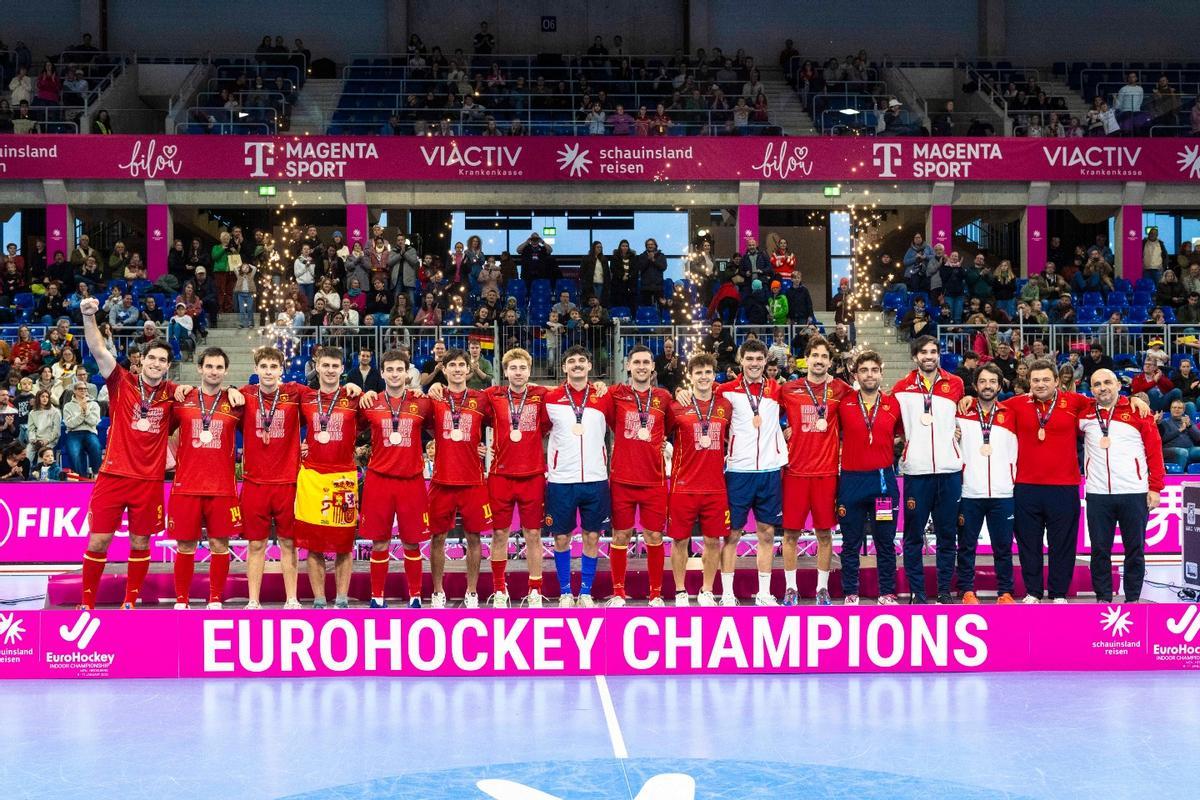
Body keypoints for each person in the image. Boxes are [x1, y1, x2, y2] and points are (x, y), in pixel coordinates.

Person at [75, 296, 179, 609]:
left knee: (140, 541)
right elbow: (98, 349)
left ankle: (130, 601)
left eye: (162, 360)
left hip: (148, 482)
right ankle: (87, 602)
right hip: (113, 476)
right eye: (152, 358)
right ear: (141, 360)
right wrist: (88, 316)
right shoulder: (122, 381)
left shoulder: (173, 395)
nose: (157, 364)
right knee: (99, 540)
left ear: (168, 366)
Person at [678, 338, 785, 606]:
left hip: (770, 470)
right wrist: (682, 391)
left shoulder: (776, 389)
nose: (754, 364)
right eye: (749, 359)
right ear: (741, 361)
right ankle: (726, 593)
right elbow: (699, 387)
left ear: (766, 361)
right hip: (738, 471)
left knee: (767, 533)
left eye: (759, 359)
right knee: (732, 534)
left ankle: (763, 592)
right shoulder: (725, 390)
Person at [777, 337, 854, 605]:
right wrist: (780, 432)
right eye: (815, 356)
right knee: (790, 534)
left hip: (826, 474)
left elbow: (867, 400)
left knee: (824, 533)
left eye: (824, 356)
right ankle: (791, 588)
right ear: (806, 359)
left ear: (830, 362)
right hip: (795, 472)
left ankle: (822, 588)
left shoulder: (841, 389)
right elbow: (761, 409)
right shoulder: (788, 389)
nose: (819, 360)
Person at [168, 348, 244, 609]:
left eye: (219, 367)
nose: (214, 371)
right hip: (186, 486)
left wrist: (236, 389)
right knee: (185, 545)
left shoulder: (236, 402)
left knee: (219, 544)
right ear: (199, 368)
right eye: (209, 366)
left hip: (222, 486)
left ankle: (214, 599)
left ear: (226, 371)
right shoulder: (183, 398)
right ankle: (182, 600)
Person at [238, 347, 313, 609]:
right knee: (256, 544)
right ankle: (253, 600)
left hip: (288, 482)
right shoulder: (243, 395)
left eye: (273, 366)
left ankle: (292, 598)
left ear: (281, 369)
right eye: (264, 366)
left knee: (288, 544)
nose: (269, 371)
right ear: (256, 369)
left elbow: (327, 395)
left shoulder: (296, 393)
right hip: (254, 482)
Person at [892, 335, 965, 604]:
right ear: (915, 357)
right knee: (913, 536)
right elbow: (894, 424)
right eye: (923, 352)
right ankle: (918, 592)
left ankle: (944, 590)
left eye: (933, 352)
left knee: (947, 535)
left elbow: (962, 417)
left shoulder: (955, 384)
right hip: (917, 472)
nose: (929, 356)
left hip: (949, 470)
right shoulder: (901, 387)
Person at [1080, 369, 1164, 603]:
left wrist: (1155, 487)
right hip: (1098, 494)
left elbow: (1154, 450)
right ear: (1091, 388)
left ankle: (1133, 598)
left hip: (1134, 492)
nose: (1102, 388)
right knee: (1099, 550)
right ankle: (1103, 598)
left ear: (1118, 385)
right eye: (1097, 384)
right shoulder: (1084, 413)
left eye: (1108, 382)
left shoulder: (1138, 411)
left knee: (1135, 549)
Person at [359, 350, 433, 608]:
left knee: (412, 541)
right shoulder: (370, 403)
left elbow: (444, 426)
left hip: (411, 480)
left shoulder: (422, 403)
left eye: (399, 369)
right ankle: (376, 597)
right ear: (382, 373)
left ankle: (415, 596)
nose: (394, 374)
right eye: (389, 370)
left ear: (407, 372)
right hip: (379, 480)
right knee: (380, 541)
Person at [423, 348, 494, 607]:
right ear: (444, 369)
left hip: (473, 479)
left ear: (468, 368)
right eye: (452, 364)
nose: (457, 369)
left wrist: (480, 446)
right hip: (441, 480)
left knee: (474, 537)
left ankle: (472, 592)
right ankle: (438, 591)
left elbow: (502, 421)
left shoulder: (480, 398)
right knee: (438, 537)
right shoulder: (435, 398)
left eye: (462, 364)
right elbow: (425, 425)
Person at [543, 346, 613, 607]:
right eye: (571, 361)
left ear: (589, 366)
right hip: (561, 480)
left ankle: (584, 592)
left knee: (592, 536)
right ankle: (564, 592)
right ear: (564, 368)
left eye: (582, 361)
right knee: (561, 538)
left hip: (595, 478)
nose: (577, 365)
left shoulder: (604, 396)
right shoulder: (550, 398)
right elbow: (533, 430)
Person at [480, 348, 549, 607]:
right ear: (505, 371)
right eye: (513, 368)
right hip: (500, 474)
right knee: (500, 534)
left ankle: (534, 589)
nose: (518, 373)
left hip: (532, 474)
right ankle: (500, 590)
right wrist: (475, 443)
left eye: (522, 368)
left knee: (533, 533)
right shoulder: (492, 395)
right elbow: (470, 414)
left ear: (529, 370)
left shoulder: (542, 395)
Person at [607, 346, 674, 607]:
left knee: (654, 537)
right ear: (628, 366)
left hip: (654, 480)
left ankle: (655, 593)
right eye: (637, 362)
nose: (642, 366)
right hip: (623, 479)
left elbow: (670, 428)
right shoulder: (616, 395)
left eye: (646, 362)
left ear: (653, 368)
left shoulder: (664, 397)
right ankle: (618, 593)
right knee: (620, 536)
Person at [294, 346, 361, 608]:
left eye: (335, 366)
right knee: (314, 545)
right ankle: (320, 599)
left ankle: (342, 598)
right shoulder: (305, 397)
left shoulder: (353, 397)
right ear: (317, 367)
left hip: (342, 477)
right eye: (326, 365)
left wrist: (360, 389)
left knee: (344, 544)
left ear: (342, 369)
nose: (331, 370)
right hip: (312, 477)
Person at [836, 350, 904, 604]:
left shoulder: (892, 404)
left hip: (882, 483)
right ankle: (850, 593)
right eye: (864, 370)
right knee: (850, 542)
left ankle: (886, 592)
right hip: (852, 482)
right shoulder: (844, 403)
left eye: (874, 370)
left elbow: (902, 434)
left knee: (885, 541)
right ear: (856, 375)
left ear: (881, 373)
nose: (869, 375)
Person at [665, 354, 733, 606]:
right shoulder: (676, 407)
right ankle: (681, 590)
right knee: (680, 540)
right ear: (690, 376)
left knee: (712, 540)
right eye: (698, 373)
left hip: (715, 487)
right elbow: (660, 434)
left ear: (714, 375)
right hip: (683, 486)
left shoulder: (725, 406)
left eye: (708, 372)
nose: (703, 377)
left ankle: (706, 590)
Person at [955, 364, 1018, 605]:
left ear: (1000, 386)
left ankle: (1005, 592)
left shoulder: (1011, 413)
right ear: (975, 385)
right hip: (969, 490)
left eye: (993, 381)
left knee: (1003, 547)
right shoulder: (961, 412)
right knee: (967, 546)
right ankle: (967, 591)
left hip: (1003, 492)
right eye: (983, 381)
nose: (988, 385)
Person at [62, 381, 101, 476]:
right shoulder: (68, 406)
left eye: (85, 389)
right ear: (74, 391)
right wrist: (82, 414)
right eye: (80, 389)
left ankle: (96, 474)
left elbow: (94, 422)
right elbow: (70, 424)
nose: (83, 390)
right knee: (74, 451)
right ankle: (80, 477)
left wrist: (86, 411)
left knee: (96, 446)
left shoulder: (94, 404)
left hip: (89, 432)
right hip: (74, 433)